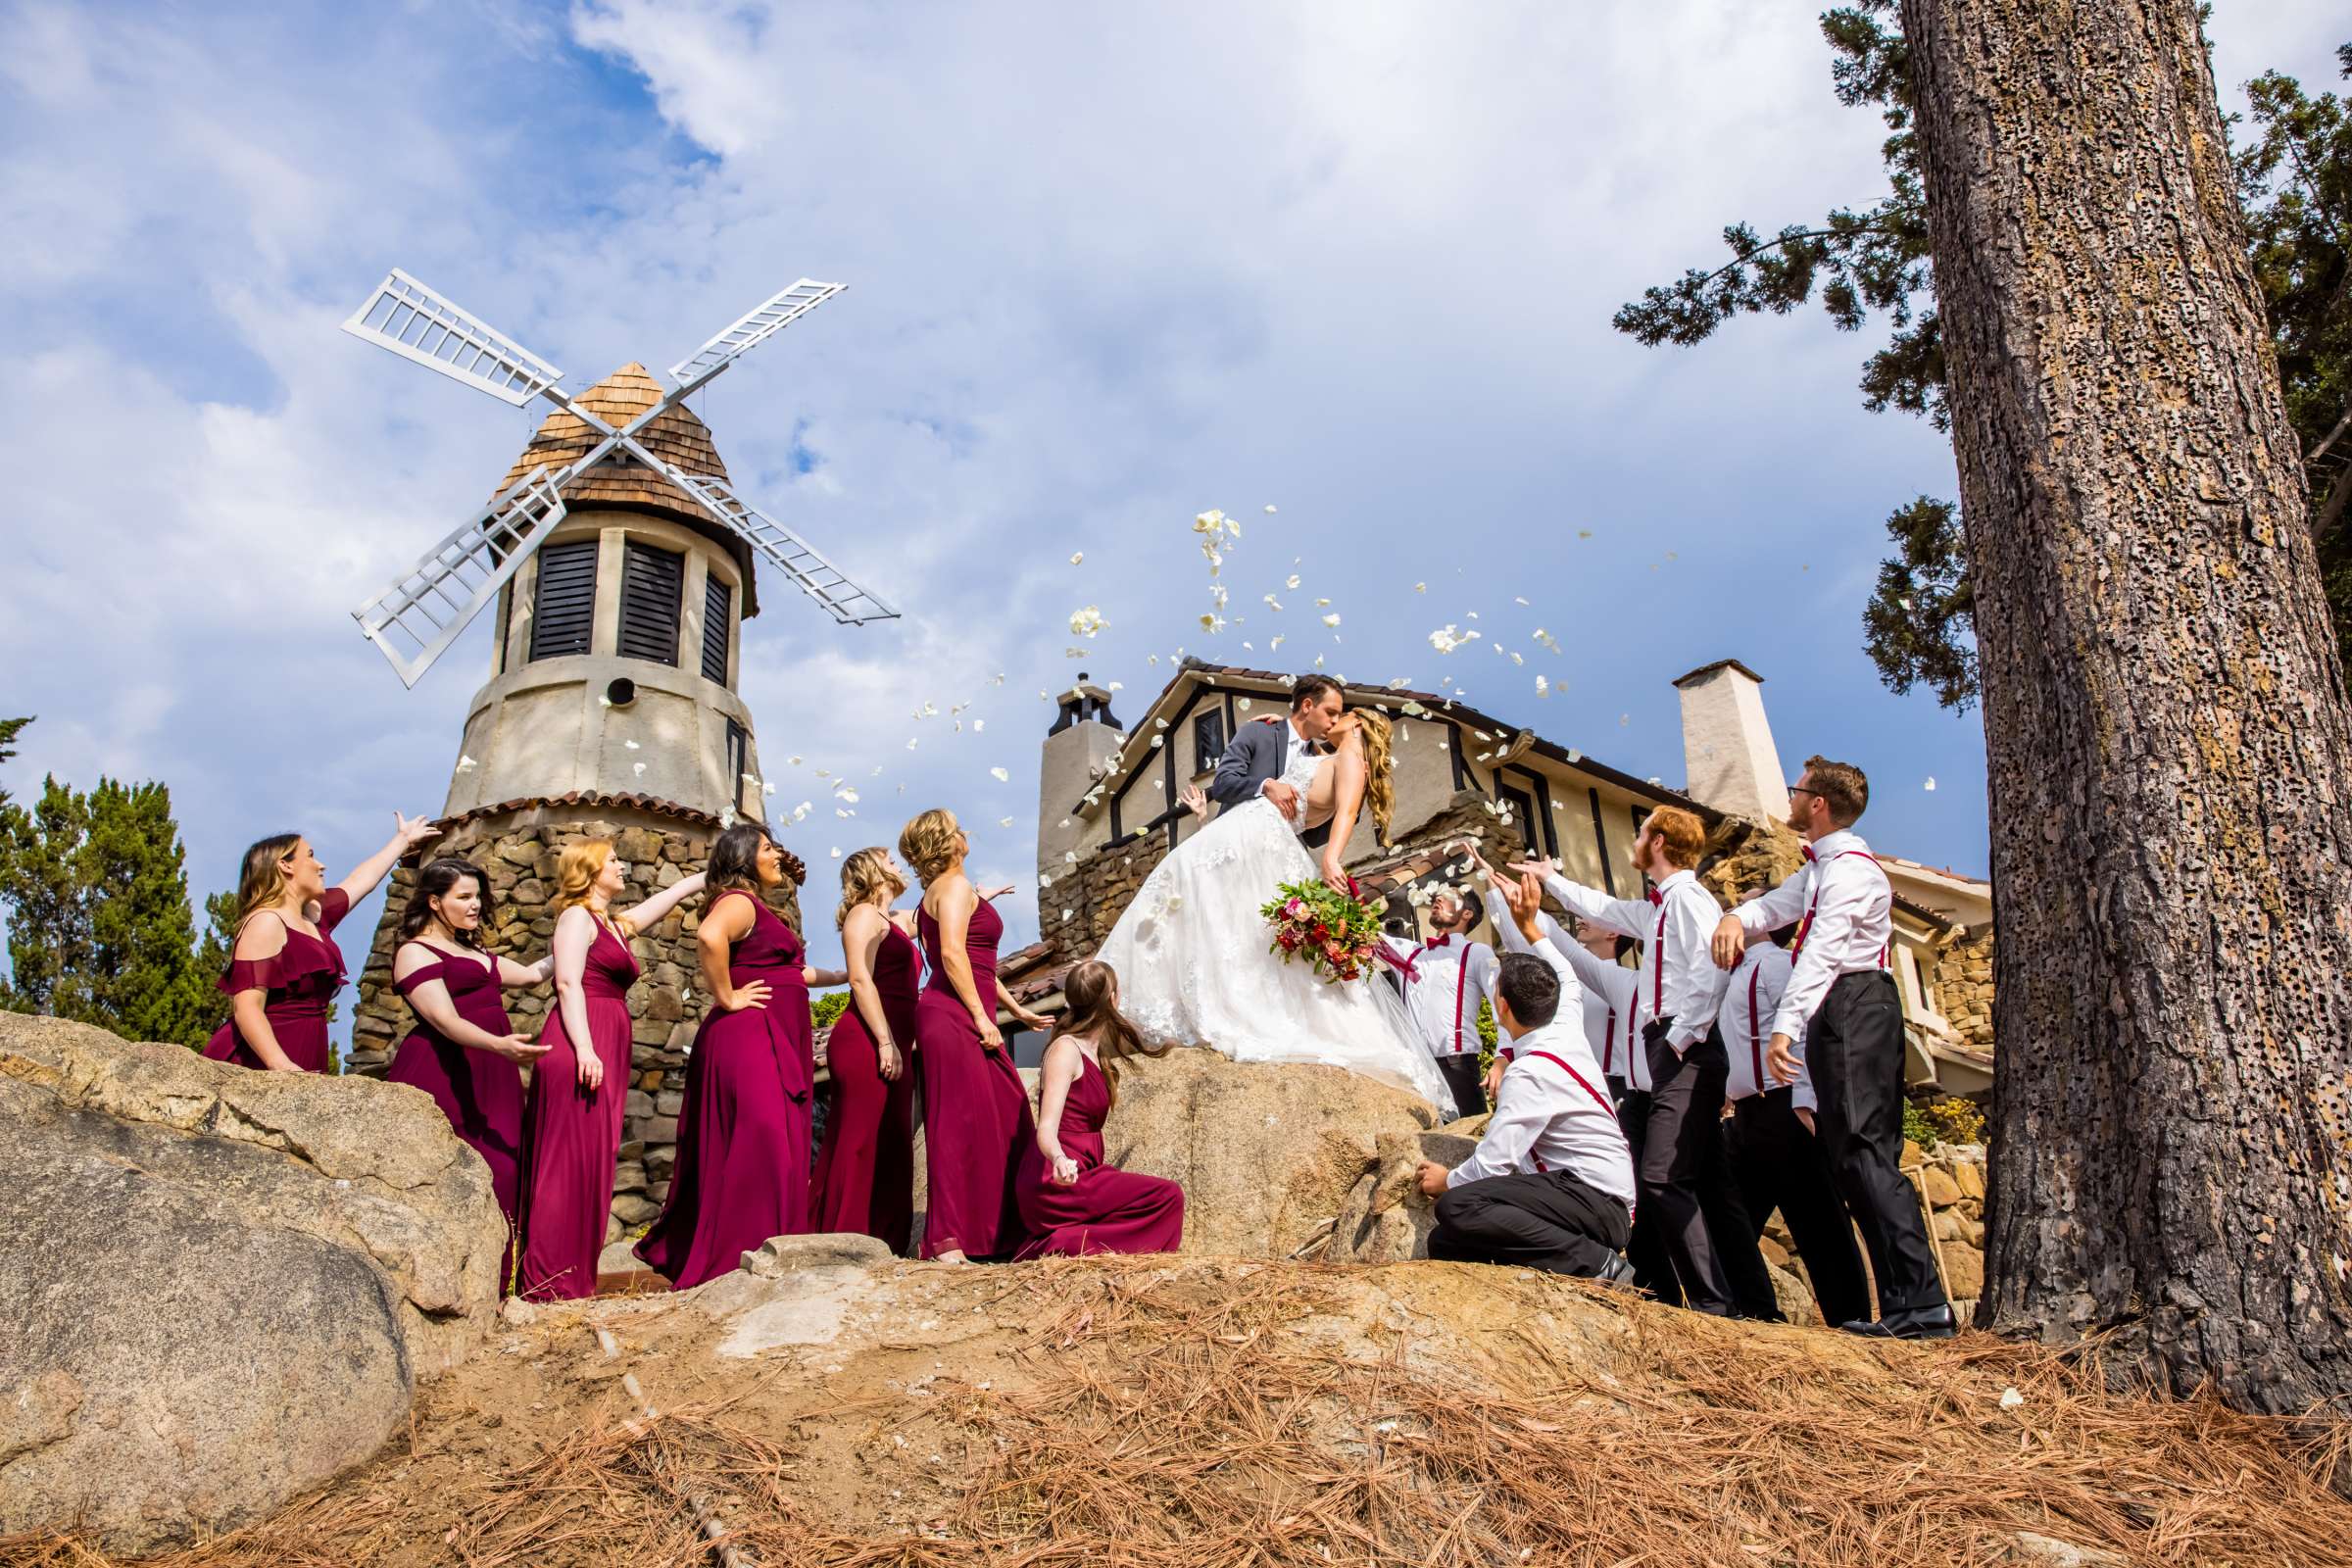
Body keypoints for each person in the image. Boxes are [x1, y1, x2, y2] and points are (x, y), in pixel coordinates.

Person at [1092, 694, 1457, 1117]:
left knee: (1193, 894)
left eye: (1340, 715)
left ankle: (1170, 1006)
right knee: (1214, 915)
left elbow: (1346, 811)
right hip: (1253, 833)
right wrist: (1281, 722)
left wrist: (1332, 858)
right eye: (1329, 712)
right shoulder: (1327, 752)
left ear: (1356, 722)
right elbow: (1297, 750)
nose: (1332, 721)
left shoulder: (1351, 757)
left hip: (1260, 836)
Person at [1712, 757, 1956, 1340]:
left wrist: (1783, 1028)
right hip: (1836, 1007)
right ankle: (1902, 1306)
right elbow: (1774, 908)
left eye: (1797, 791)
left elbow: (1820, 952)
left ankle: (1921, 1306)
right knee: (1851, 1157)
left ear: (1818, 803)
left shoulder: (1849, 871)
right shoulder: (1820, 870)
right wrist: (1734, 916)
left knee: (1866, 1154)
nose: (1789, 800)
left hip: (1855, 1003)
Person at [1509, 808, 1738, 1315]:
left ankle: (1713, 1304)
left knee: (1663, 1177)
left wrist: (1682, 1036)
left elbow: (1715, 966)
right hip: (1673, 1047)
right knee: (1679, 1178)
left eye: (1639, 832)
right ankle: (1714, 1299)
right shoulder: (1659, 907)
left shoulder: (1690, 898)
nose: (1634, 840)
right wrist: (1551, 881)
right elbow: (1605, 907)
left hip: (1685, 1045)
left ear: (1657, 841)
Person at [637, 824, 843, 1290]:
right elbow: (710, 937)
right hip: (750, 1037)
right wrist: (726, 996)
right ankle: (736, 1258)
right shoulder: (738, 901)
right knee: (761, 1140)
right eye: (768, 848)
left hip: (773, 1037)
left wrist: (851, 972)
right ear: (746, 857)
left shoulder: (760, 910)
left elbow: (794, 972)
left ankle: (765, 1248)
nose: (777, 856)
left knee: (777, 1142)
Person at [1415, 873, 1637, 1279]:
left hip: (1595, 1200)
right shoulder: (1563, 1022)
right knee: (1444, 1242)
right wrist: (1531, 927)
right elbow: (1567, 976)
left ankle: (1599, 1265)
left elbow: (1495, 1163)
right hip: (1594, 1196)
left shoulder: (1529, 1072)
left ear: (1500, 1006)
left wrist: (1446, 1179)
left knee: (1457, 1206)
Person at [515, 839, 706, 1302]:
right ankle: (547, 1283)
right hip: (581, 1039)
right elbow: (566, 981)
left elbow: (658, 905)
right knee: (567, 1160)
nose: (623, 866)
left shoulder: (613, 924)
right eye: (613, 861)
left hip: (606, 1040)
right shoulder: (576, 917)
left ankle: (573, 1279)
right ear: (588, 869)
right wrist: (584, 1047)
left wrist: (700, 878)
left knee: (592, 1162)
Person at [386, 858, 554, 1287]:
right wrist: (500, 1044)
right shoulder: (414, 952)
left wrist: (582, 934)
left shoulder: (475, 952)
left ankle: (499, 1287)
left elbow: (536, 975)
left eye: (478, 896)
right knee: (455, 1173)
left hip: (490, 1074)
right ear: (435, 902)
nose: (476, 905)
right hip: (442, 1072)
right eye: (464, 897)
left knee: (507, 1168)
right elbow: (445, 1021)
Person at [903, 808, 1054, 1262]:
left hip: (969, 1012)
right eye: (957, 826)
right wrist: (981, 1018)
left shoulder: (956, 887)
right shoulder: (950, 887)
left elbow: (979, 962)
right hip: (951, 1017)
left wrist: (1015, 1010)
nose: (966, 830)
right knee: (954, 1126)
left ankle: (996, 1233)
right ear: (947, 841)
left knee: (1005, 1119)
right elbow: (950, 954)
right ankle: (948, 1241)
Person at [1719, 916, 1872, 1329]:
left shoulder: (1777, 965)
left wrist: (1805, 1099)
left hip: (1783, 1107)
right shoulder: (1733, 974)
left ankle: (1852, 1318)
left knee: (1816, 1217)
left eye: (1748, 909)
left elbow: (1803, 1028)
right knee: (1733, 1212)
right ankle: (1751, 1310)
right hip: (1747, 1114)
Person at [204, 813, 442, 1072]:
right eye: (310, 855)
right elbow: (247, 1007)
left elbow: (360, 881)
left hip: (307, 1048)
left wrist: (402, 840)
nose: (321, 865)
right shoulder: (265, 921)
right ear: (285, 865)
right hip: (261, 1059)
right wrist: (280, 1065)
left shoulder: (315, 916)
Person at [1014, 959, 1186, 1256]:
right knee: (1167, 1196)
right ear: (1112, 999)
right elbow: (1046, 1128)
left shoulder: (1093, 1049)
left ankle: (1067, 1240)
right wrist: (1058, 1159)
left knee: (1154, 1200)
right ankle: (1059, 1245)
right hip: (1057, 1180)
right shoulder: (1065, 1050)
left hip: (1086, 1172)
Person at [811, 847, 924, 1252]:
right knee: (859, 1138)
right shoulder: (862, 915)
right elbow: (860, 979)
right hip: (866, 1040)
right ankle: (843, 1237)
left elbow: (931, 910)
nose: (899, 865)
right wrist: (885, 1041)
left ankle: (884, 1239)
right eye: (890, 860)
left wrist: (980, 896)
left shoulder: (890, 920)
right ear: (872, 871)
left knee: (893, 1139)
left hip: (895, 1040)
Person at [1377, 858, 1500, 1116]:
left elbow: (1503, 1005)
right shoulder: (1410, 953)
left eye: (1450, 896)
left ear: (1467, 914)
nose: (1438, 898)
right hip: (1416, 1067)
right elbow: (1364, 935)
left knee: (1468, 1140)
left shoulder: (1476, 952)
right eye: (1437, 895)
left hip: (1458, 1066)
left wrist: (1502, 1057)